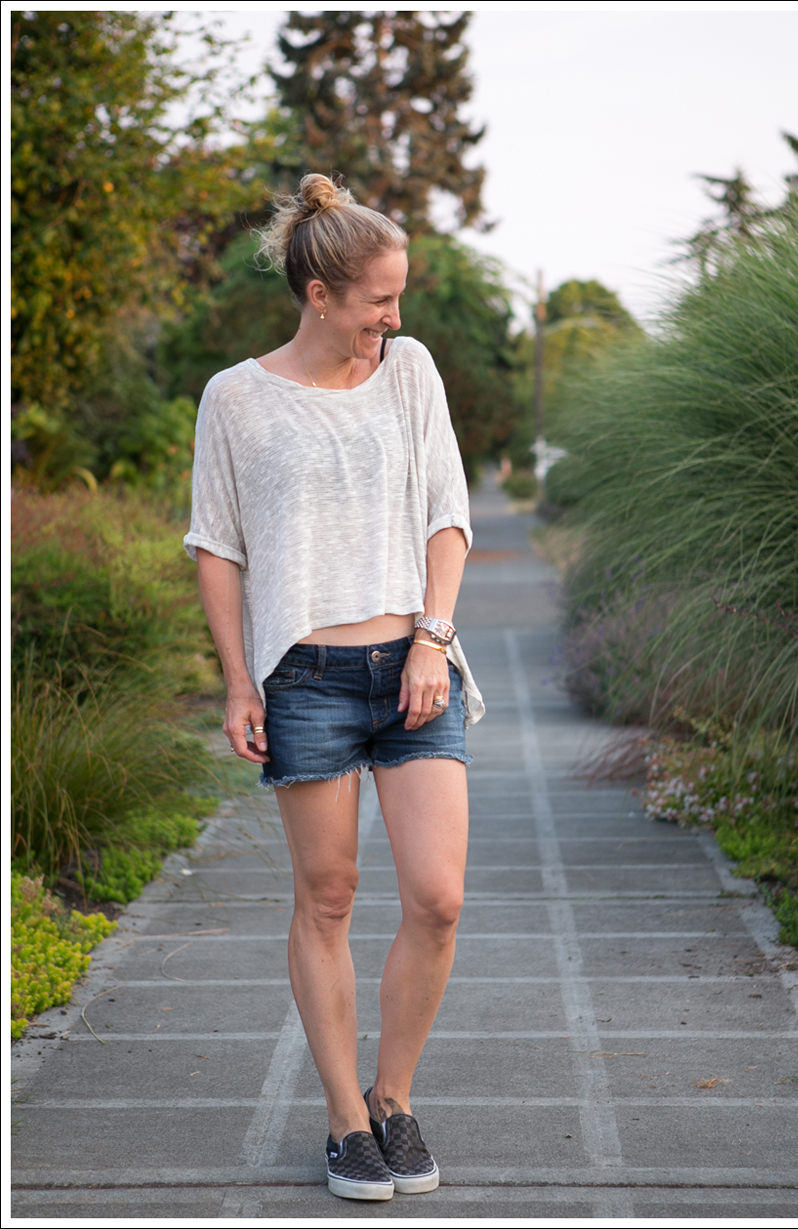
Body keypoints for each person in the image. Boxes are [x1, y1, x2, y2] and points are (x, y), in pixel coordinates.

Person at [183, 173, 483, 1202]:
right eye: (378, 300)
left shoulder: (411, 372)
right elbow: (217, 546)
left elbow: (448, 513)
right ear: (319, 295)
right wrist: (239, 682)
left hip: (413, 668)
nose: (393, 317)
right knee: (328, 895)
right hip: (304, 675)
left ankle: (394, 1097)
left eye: (398, 297)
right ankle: (346, 1119)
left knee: (437, 898)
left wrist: (433, 639)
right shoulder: (236, 397)